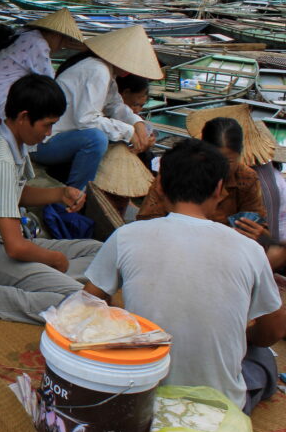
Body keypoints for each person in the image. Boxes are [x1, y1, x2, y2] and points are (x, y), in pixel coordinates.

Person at [83, 138, 285, 414]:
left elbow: (87, 304)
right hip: (218, 413)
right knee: (262, 357)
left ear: (161, 187)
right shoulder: (249, 249)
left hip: (141, 397)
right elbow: (273, 331)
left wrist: (128, 323)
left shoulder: (126, 236)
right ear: (218, 190)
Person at [0, 74, 102, 323]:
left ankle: (49, 283)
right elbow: (16, 247)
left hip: (2, 244)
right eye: (47, 125)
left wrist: (59, 193)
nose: (50, 133)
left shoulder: (12, 141)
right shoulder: (0, 159)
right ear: (23, 117)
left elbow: (15, 194)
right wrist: (56, 259)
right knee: (81, 301)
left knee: (99, 252)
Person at [33, 25, 162, 191]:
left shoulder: (104, 70)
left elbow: (115, 105)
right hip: (45, 143)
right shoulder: (98, 70)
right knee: (96, 138)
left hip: (59, 139)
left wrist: (137, 124)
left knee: (113, 132)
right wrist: (129, 132)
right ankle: (76, 194)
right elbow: (87, 120)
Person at [137, 117, 266, 235]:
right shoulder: (175, 172)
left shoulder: (246, 178)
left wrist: (258, 233)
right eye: (215, 160)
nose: (220, 168)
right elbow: (147, 221)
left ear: (240, 154)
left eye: (229, 161)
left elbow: (259, 225)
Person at [0, 8, 84, 125]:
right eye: (62, 41)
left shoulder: (26, 34)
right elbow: (52, 85)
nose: (61, 47)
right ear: (54, 34)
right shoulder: (37, 44)